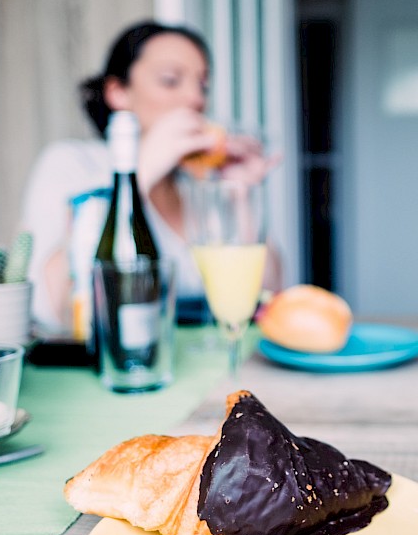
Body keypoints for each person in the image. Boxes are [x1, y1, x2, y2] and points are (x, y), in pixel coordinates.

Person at [21, 20, 281, 334]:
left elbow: (268, 299)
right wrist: (138, 172)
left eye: (202, 85)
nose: (195, 99)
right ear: (118, 93)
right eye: (171, 81)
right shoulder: (73, 164)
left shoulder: (199, 187)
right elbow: (50, 307)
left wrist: (241, 196)